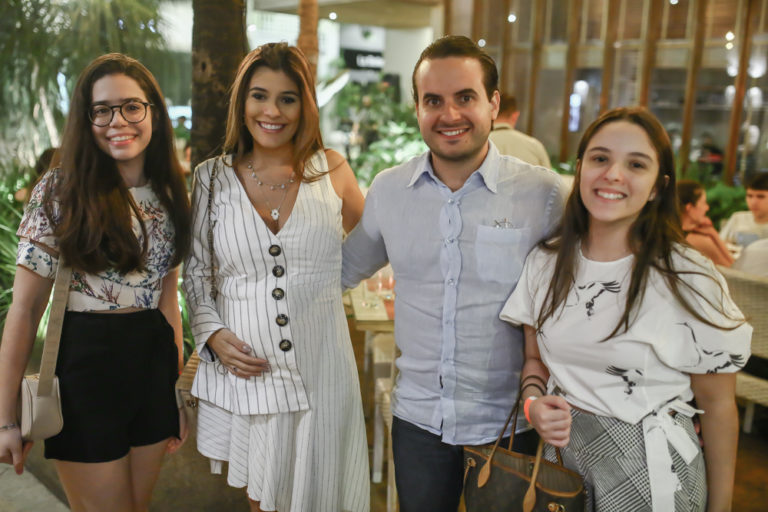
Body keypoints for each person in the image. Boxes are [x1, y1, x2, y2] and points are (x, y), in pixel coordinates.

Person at [342, 35, 567, 512]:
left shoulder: (543, 195)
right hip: (420, 422)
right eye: (433, 101)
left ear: (493, 103)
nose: (450, 115)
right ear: (418, 108)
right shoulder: (390, 190)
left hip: (510, 424)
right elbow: (339, 270)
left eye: (465, 97)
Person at [500, 107, 752, 511]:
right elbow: (535, 361)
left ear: (657, 187)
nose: (613, 174)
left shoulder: (687, 275)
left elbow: (719, 407)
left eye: (636, 164)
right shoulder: (546, 261)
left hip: (652, 471)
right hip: (562, 464)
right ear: (580, 169)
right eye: (600, 159)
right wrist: (533, 407)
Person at [0, 53, 191, 511]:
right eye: (101, 110)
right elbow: (24, 311)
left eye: (131, 106)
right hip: (86, 368)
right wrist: (7, 419)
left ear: (153, 113)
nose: (116, 121)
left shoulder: (169, 191)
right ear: (86, 120)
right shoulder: (61, 190)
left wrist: (176, 390)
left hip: (151, 365)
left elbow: (168, 300)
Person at [183, 43, 368, 512]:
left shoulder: (333, 169)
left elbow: (374, 247)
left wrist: (324, 288)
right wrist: (212, 333)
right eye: (259, 96)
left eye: (287, 98)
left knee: (327, 489)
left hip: (323, 367)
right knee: (263, 500)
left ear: (305, 105)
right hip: (251, 376)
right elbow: (196, 273)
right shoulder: (211, 178)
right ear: (241, 102)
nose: (271, 111)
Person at [677, 179, 734, 267]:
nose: (707, 208)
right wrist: (713, 234)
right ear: (689, 208)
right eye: (703, 203)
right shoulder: (699, 240)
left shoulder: (672, 231)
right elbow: (731, 268)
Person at [489, 93, 551, 168]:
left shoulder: (480, 144)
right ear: (515, 115)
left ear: (491, 112)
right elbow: (548, 178)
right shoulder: (535, 147)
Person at [720, 172, 768, 247]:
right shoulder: (738, 218)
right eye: (749, 196)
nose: (753, 202)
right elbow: (720, 245)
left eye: (760, 197)